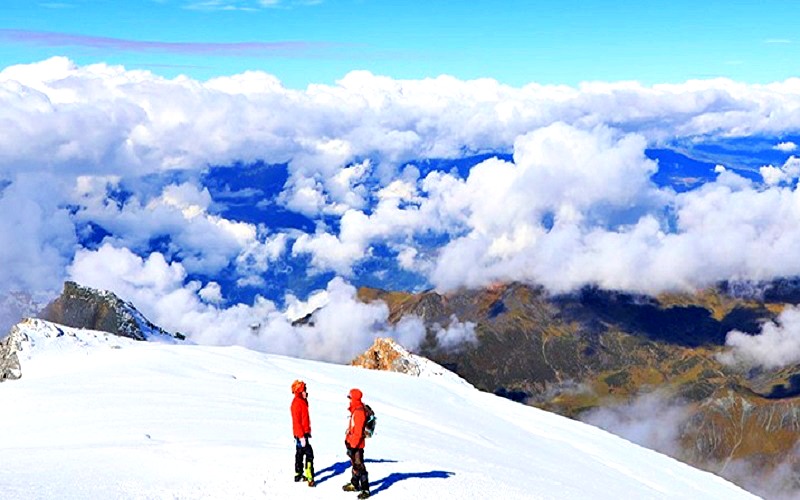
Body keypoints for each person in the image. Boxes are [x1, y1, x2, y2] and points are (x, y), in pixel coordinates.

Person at [343, 388, 369, 499]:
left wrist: (353, 446)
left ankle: (365, 489)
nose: (349, 400)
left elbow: (358, 433)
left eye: (350, 397)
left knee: (359, 466)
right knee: (355, 464)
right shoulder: (355, 409)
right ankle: (354, 483)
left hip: (357, 445)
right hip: (353, 443)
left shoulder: (359, 412)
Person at [290, 379, 314, 486]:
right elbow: (297, 422)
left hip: (303, 433)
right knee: (309, 454)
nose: (306, 392)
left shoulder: (302, 401)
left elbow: (304, 419)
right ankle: (309, 476)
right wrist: (301, 436)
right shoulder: (297, 404)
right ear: (299, 392)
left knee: (299, 453)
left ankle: (298, 474)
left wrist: (307, 431)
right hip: (300, 435)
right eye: (304, 390)